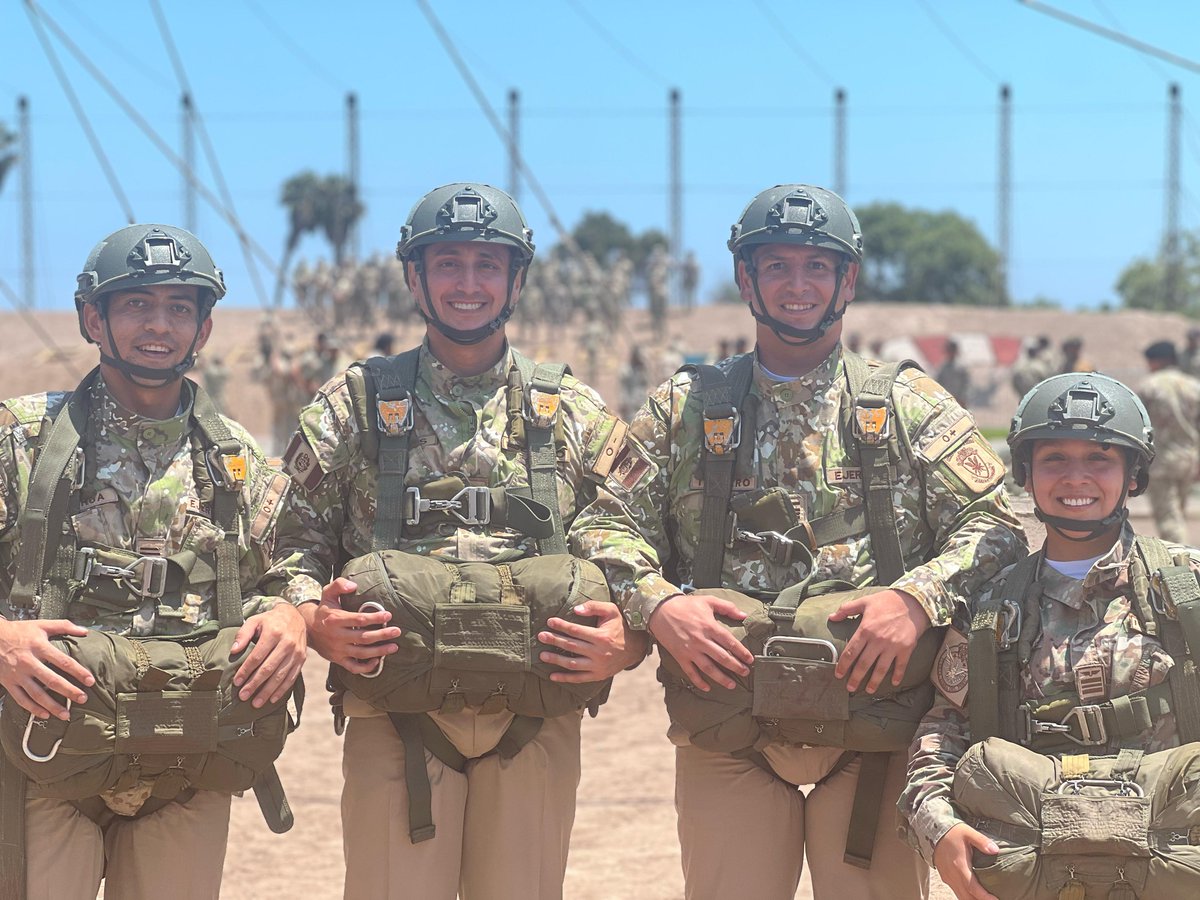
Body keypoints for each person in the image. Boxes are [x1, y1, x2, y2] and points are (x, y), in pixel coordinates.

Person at [571, 184, 1025, 900]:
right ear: (745, 278)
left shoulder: (906, 403)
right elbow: (601, 523)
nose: (797, 284)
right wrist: (658, 606)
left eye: (818, 266)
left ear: (848, 279)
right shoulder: (687, 408)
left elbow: (996, 527)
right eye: (775, 265)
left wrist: (917, 598)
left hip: (874, 722)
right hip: (727, 716)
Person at [259, 183, 647, 900]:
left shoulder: (565, 407)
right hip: (394, 714)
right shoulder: (357, 402)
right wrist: (312, 620)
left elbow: (632, 535)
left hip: (534, 712)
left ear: (517, 279)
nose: (468, 283)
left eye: (487, 265)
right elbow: (289, 536)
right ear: (414, 276)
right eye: (447, 264)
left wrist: (628, 636)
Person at [0, 224, 305, 899]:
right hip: (43, 758)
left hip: (187, 764)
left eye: (178, 308)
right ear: (93, 318)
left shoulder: (237, 461)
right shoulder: (21, 439)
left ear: (203, 328)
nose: (157, 325)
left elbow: (289, 569)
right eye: (136, 304)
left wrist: (290, 616)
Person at [900, 372, 1200, 900]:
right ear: (1026, 474)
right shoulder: (992, 606)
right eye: (1054, 458)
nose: (1076, 477)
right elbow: (943, 730)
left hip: (1172, 864)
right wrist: (938, 825)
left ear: (1133, 475)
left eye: (1100, 458)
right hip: (1033, 864)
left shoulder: (1186, 587)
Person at [1139, 340, 1200, 543]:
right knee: (1179, 514)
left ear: (1156, 361)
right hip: (1188, 458)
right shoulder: (1194, 386)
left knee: (1168, 518)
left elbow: (1140, 423)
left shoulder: (1149, 385)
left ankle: (1182, 566)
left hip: (1161, 460)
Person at [935, 338, 971, 406]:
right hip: (945, 400)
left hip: (959, 400)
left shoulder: (961, 367)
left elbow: (965, 384)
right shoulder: (943, 367)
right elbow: (937, 383)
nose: (950, 353)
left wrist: (962, 398)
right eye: (949, 351)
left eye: (952, 350)